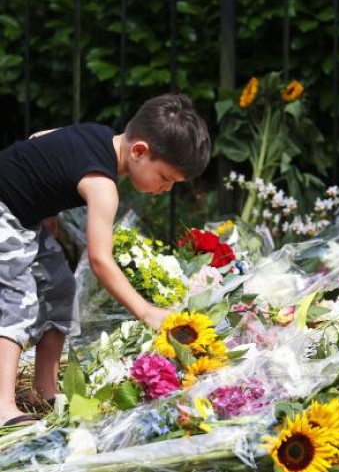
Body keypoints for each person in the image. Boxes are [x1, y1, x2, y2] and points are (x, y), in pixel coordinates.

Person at [0, 93, 210, 427]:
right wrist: (145, 311)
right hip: (5, 213)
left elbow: (40, 138)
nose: (166, 189)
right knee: (18, 298)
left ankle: (43, 390)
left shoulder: (98, 134)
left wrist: (43, 202)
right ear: (139, 151)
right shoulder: (103, 186)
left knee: (59, 287)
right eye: (165, 178)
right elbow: (99, 260)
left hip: (21, 214)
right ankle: (3, 408)